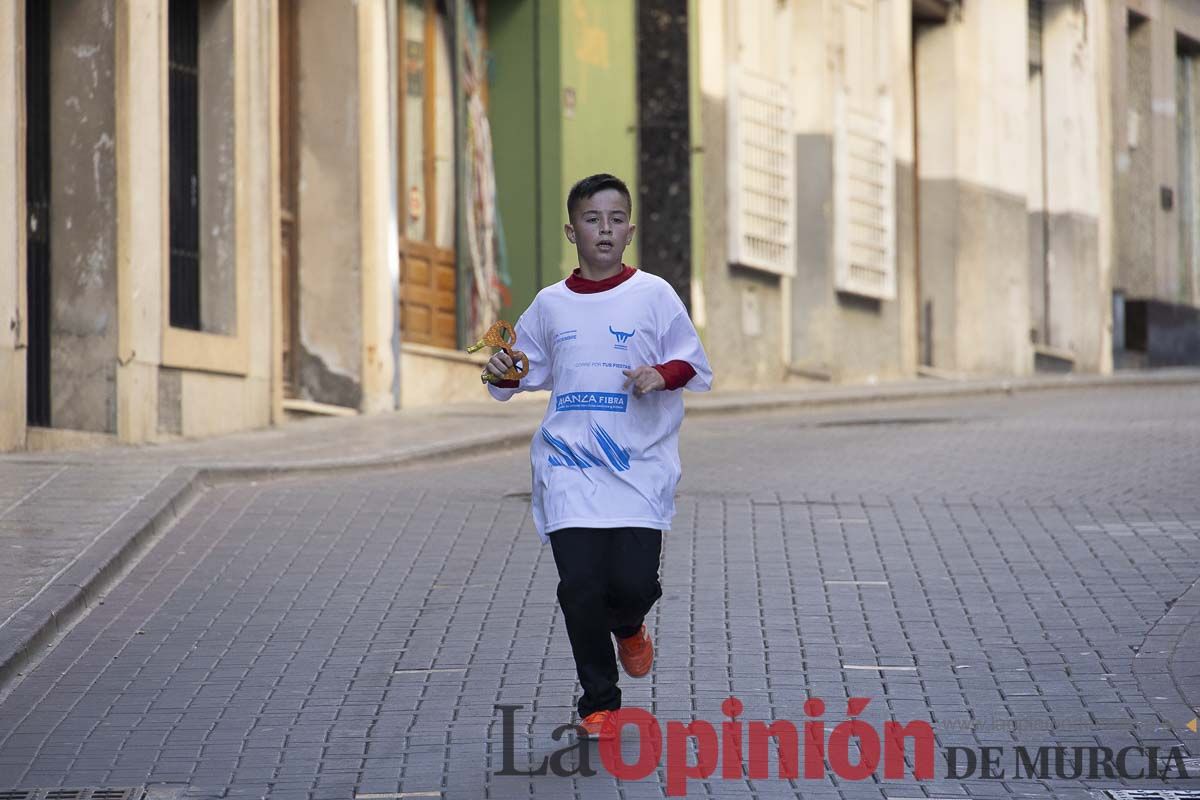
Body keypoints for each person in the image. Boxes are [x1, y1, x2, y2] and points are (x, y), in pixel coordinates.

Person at [484, 173, 712, 740]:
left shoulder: (654, 295)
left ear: (630, 231)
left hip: (638, 468)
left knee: (633, 583)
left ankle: (631, 624)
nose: (604, 229)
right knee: (579, 586)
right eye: (592, 219)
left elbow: (692, 362)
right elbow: (519, 370)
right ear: (572, 230)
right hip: (568, 468)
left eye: (615, 220)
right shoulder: (550, 304)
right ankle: (600, 701)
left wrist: (659, 374)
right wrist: (501, 370)